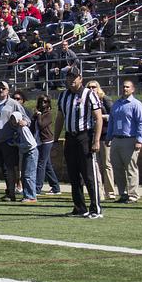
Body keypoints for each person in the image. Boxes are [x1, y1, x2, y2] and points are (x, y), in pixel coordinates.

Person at [53, 67, 103, 219]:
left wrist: (96, 140)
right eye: (69, 77)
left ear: (81, 78)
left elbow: (98, 118)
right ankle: (79, 207)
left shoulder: (89, 94)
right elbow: (60, 118)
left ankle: (95, 209)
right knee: (73, 174)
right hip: (70, 137)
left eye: (75, 77)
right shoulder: (63, 96)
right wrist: (55, 139)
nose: (72, 80)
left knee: (89, 174)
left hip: (84, 137)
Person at [106, 80, 142, 204]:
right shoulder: (116, 104)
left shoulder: (136, 104)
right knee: (117, 168)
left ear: (133, 89)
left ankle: (133, 194)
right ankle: (123, 194)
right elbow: (111, 122)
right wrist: (108, 137)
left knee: (131, 168)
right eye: (123, 87)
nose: (125, 89)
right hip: (116, 140)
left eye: (127, 87)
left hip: (130, 139)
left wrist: (139, 140)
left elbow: (141, 123)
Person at [86, 81, 115, 200]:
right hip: (91, 135)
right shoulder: (86, 100)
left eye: (94, 87)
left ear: (98, 88)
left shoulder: (105, 99)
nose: (92, 89)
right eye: (89, 87)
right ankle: (99, 192)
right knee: (95, 165)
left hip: (104, 135)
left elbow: (113, 116)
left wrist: (100, 117)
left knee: (107, 164)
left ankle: (110, 192)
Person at [32, 94, 61, 196]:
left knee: (41, 164)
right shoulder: (38, 114)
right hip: (39, 141)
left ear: (48, 103)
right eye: (40, 101)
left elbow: (41, 125)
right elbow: (33, 126)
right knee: (47, 165)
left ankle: (37, 188)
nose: (42, 104)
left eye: (45, 101)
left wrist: (39, 115)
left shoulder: (48, 114)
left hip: (46, 141)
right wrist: (34, 117)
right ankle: (56, 187)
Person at [8, 111, 38, 203]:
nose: (13, 121)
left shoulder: (23, 128)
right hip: (26, 152)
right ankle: (27, 195)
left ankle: (31, 196)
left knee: (29, 175)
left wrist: (17, 144)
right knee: (25, 175)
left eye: (14, 118)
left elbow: (30, 144)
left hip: (31, 152)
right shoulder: (18, 129)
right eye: (11, 119)